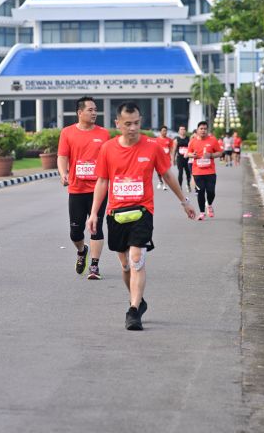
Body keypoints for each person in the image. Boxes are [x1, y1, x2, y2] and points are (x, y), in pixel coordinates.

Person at [87, 102, 195, 331]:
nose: (133, 128)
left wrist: (184, 202)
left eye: (137, 123)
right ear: (118, 124)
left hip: (143, 211)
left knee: (137, 259)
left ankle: (134, 310)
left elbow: (167, 175)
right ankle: (136, 298)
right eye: (128, 124)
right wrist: (94, 213)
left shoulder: (152, 147)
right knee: (126, 265)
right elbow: (103, 181)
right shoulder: (107, 149)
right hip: (116, 213)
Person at [57, 96, 110, 280]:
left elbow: (109, 158)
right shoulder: (67, 133)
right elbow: (62, 156)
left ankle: (94, 266)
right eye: (90, 110)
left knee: (96, 226)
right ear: (80, 112)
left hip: (98, 188)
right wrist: (63, 173)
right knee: (75, 232)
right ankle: (82, 251)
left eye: (96, 110)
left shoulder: (103, 133)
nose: (94, 113)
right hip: (76, 189)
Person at [187, 121, 222, 221]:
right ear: (197, 130)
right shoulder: (193, 141)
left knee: (211, 192)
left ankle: (209, 204)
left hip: (210, 171)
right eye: (201, 129)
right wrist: (192, 155)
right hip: (197, 172)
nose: (203, 130)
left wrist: (210, 155)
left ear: (207, 130)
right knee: (200, 192)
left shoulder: (212, 140)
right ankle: (202, 213)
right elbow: (188, 153)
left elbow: (220, 153)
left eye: (205, 129)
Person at [173, 125, 191, 192]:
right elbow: (174, 150)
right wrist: (173, 159)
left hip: (187, 158)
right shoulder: (176, 140)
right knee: (180, 172)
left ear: (185, 131)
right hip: (180, 158)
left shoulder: (188, 139)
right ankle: (179, 187)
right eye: (181, 129)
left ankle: (188, 184)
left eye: (184, 129)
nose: (183, 130)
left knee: (188, 172)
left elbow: (191, 148)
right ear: (179, 131)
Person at [155, 125, 174, 191]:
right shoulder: (156, 140)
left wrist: (172, 158)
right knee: (159, 171)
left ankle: (165, 185)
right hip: (159, 158)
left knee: (166, 172)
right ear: (160, 131)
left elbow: (171, 149)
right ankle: (160, 181)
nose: (165, 132)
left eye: (166, 131)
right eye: (163, 131)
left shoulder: (169, 140)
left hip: (167, 158)